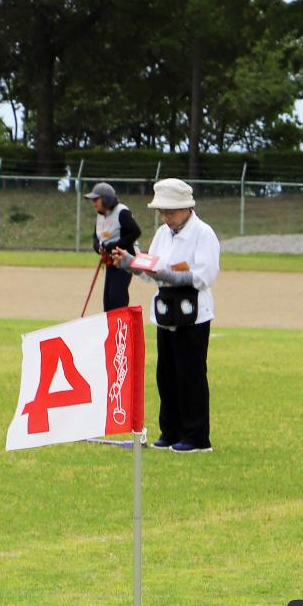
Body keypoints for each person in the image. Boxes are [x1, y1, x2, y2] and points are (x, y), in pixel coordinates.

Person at [119, 178, 219, 452]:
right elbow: (153, 271)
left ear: (187, 208)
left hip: (193, 315)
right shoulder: (163, 233)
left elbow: (204, 274)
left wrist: (169, 275)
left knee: (191, 376)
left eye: (170, 212)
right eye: (162, 212)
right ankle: (170, 432)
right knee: (166, 375)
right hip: (165, 313)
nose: (165, 217)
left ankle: (196, 437)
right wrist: (130, 264)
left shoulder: (204, 233)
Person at [85, 182, 140, 312]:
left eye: (96, 199)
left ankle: (121, 328)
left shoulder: (122, 212)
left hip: (123, 262)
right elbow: (96, 237)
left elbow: (135, 232)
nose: (94, 203)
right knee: (108, 302)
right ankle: (111, 329)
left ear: (106, 199)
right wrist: (98, 247)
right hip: (110, 263)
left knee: (117, 300)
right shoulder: (100, 214)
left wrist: (113, 245)